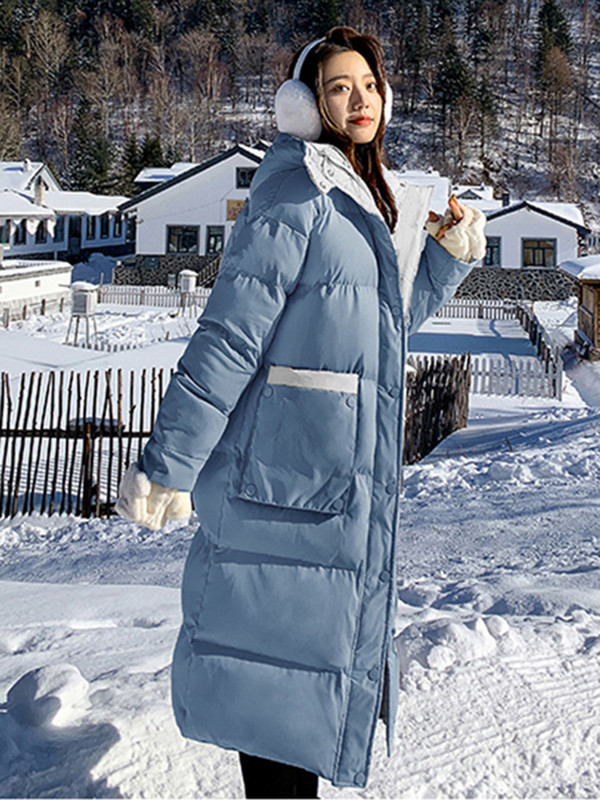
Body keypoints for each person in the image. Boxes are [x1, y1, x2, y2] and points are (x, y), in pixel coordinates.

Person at [116, 26, 486, 799]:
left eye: (369, 85)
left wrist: (447, 257)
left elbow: (372, 330)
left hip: (335, 490)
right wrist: (171, 462)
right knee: (276, 705)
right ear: (306, 106)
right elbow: (230, 334)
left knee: (301, 703)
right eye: (338, 87)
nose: (358, 99)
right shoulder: (296, 190)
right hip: (284, 490)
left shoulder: (366, 193)